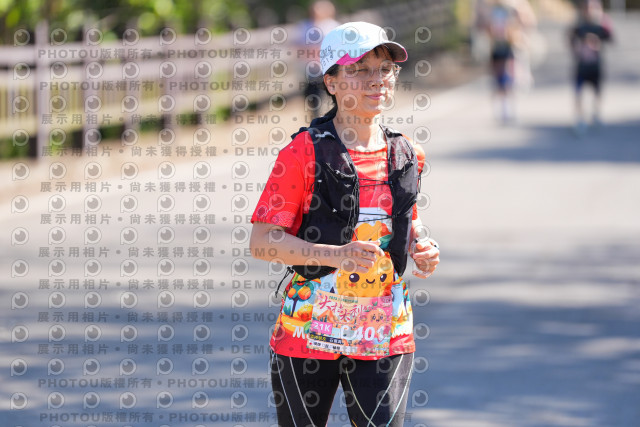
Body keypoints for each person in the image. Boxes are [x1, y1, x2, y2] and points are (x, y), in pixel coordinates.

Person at [250, 21, 440, 426]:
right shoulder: (303, 153)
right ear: (331, 82)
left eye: (384, 69)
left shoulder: (407, 153)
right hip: (307, 332)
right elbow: (263, 241)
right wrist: (335, 255)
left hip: (383, 331)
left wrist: (421, 245)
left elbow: (407, 222)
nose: (376, 80)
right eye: (359, 70)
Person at [569, 0, 613, 135]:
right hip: (582, 65)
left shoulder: (600, 25)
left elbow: (610, 38)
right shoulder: (579, 25)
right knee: (579, 92)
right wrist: (577, 48)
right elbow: (571, 39)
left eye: (593, 8)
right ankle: (580, 119)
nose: (590, 11)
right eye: (587, 8)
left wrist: (597, 39)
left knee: (597, 91)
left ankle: (596, 113)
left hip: (595, 64)